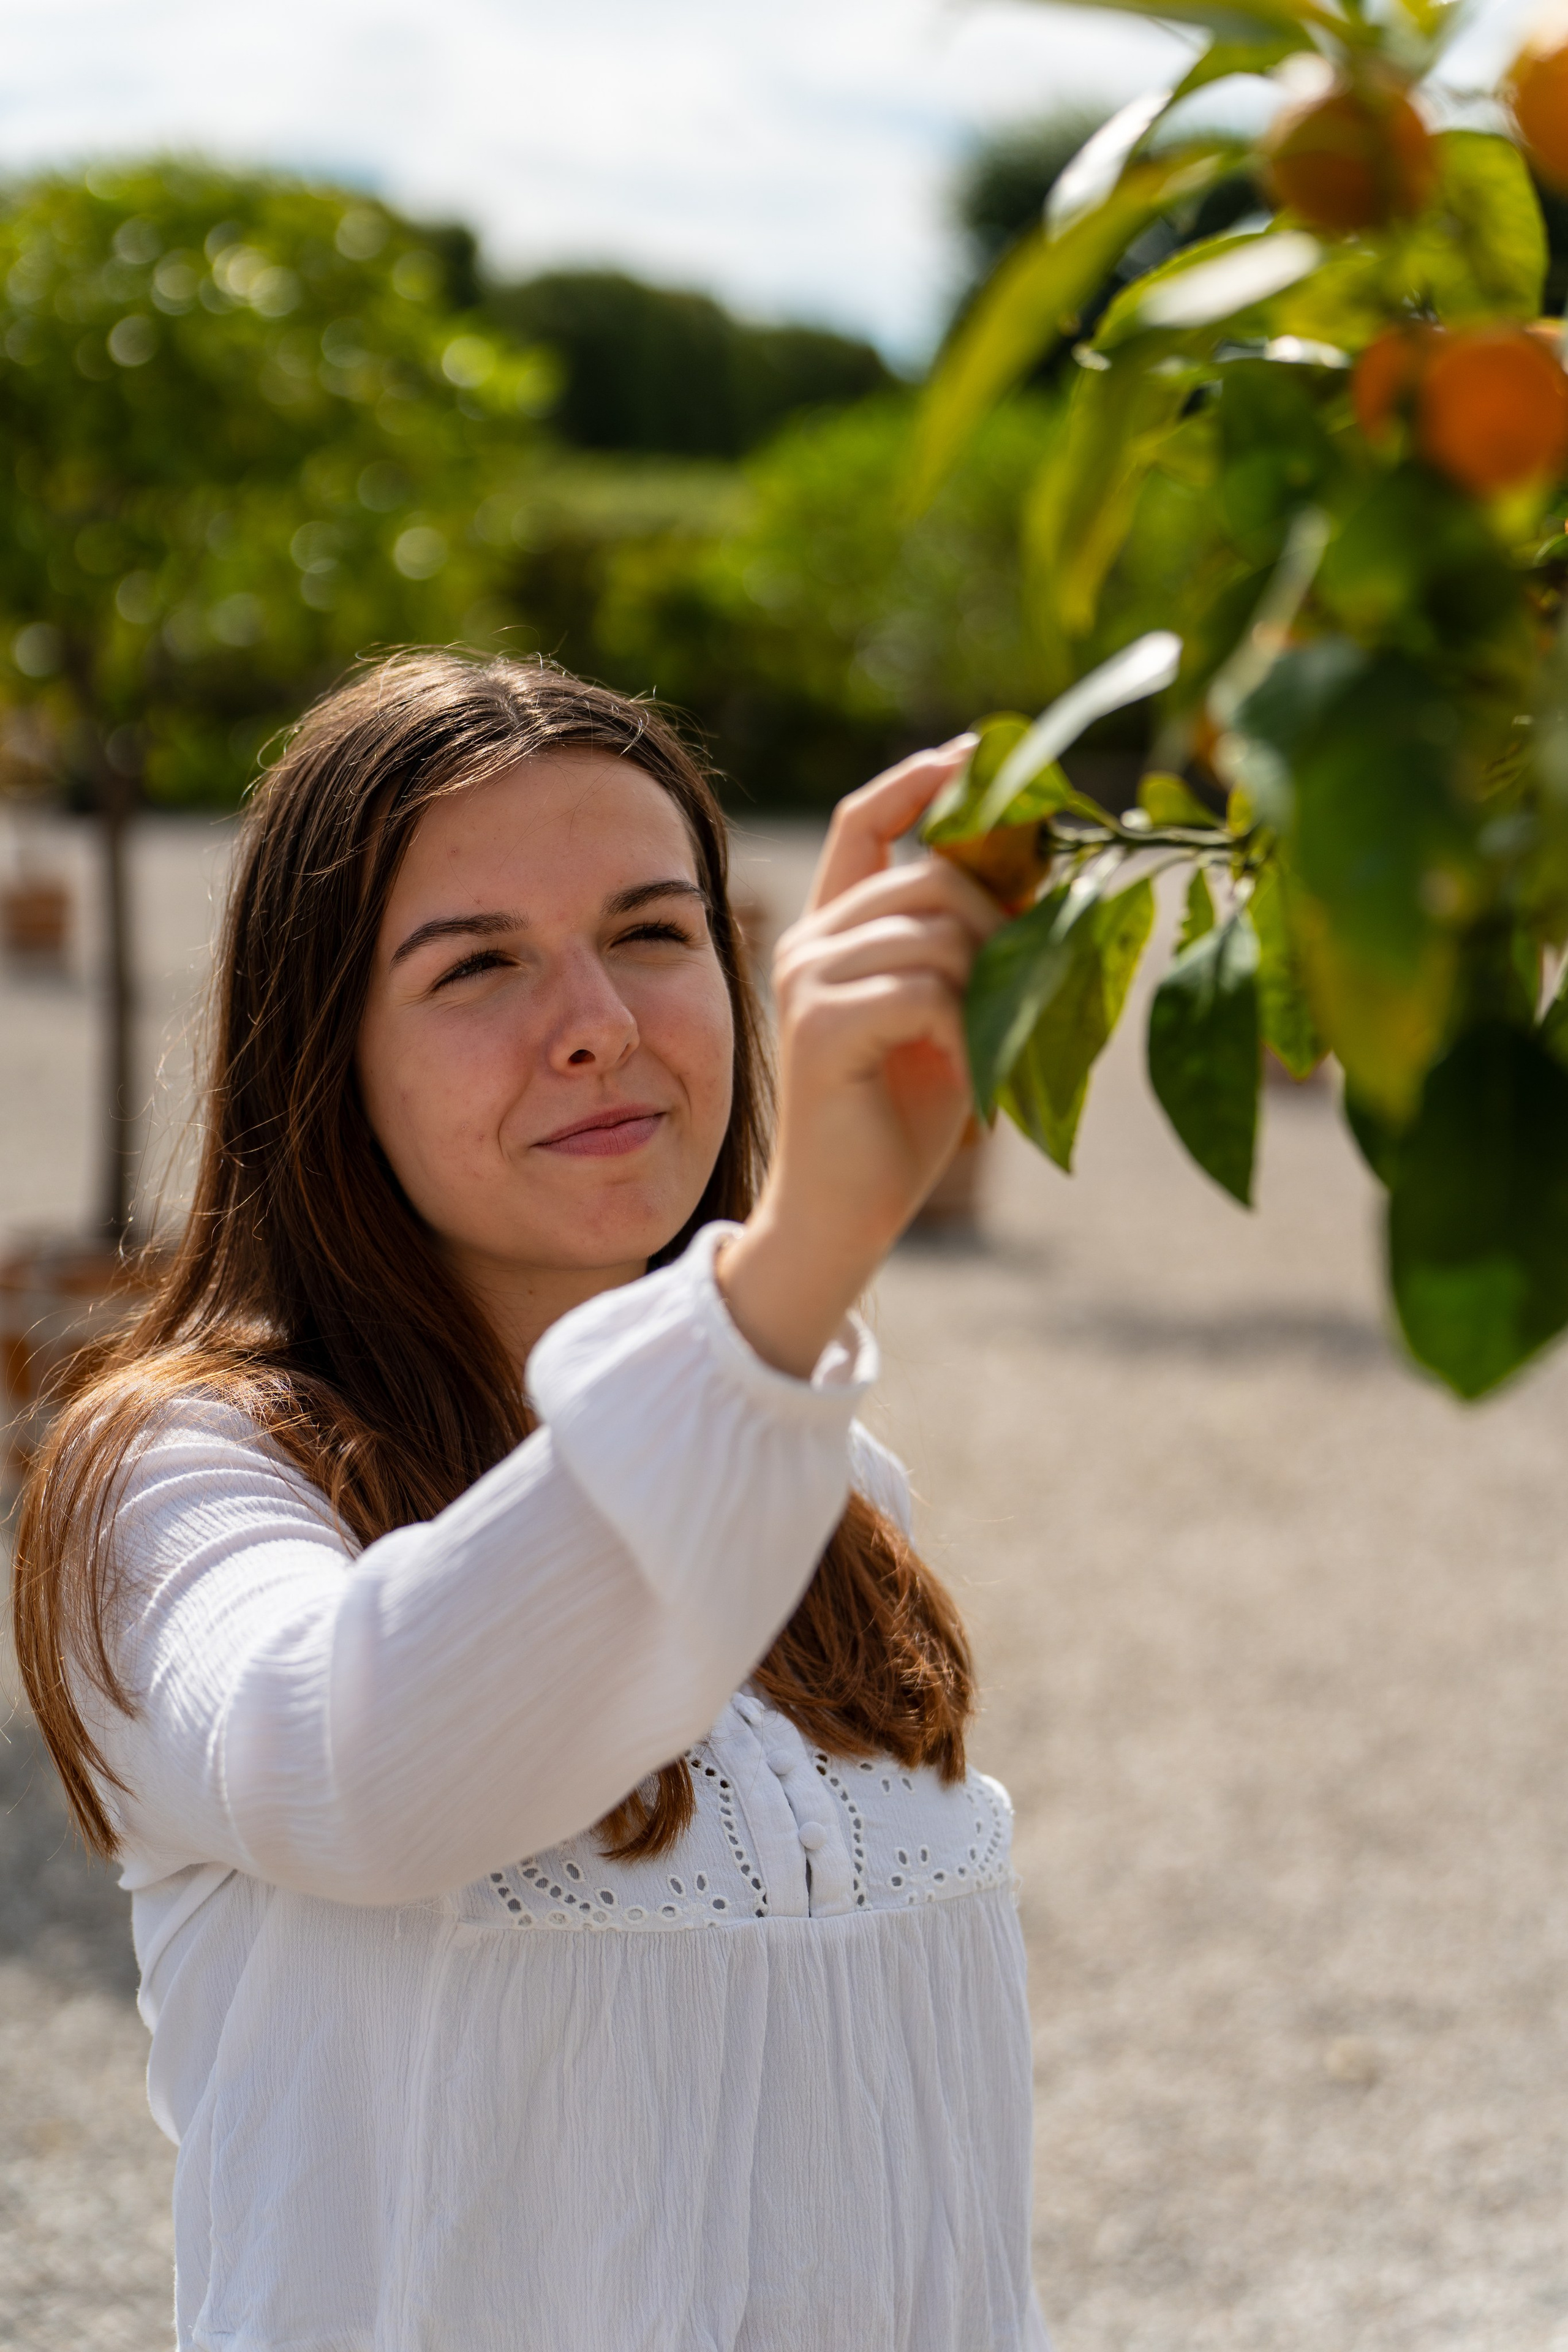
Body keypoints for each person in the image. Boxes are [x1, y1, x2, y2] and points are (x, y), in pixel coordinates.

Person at [14, 651, 1049, 2351]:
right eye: (477, 963)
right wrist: (789, 1275)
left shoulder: (832, 1479)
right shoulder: (177, 1482)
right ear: (320, 1051)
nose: (602, 1023)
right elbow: (356, 1767)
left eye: (653, 932)